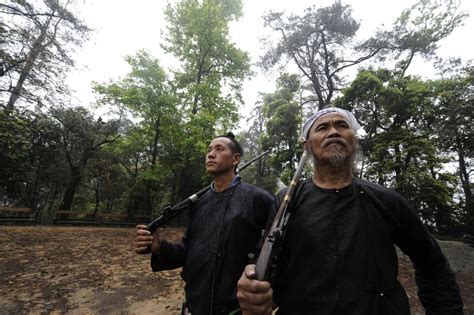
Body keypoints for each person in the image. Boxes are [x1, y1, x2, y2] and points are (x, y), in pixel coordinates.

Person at [236, 107, 463, 314]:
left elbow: (432, 264)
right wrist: (253, 284)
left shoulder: (386, 200)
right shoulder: (287, 201)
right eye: (322, 127)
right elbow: (265, 257)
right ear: (307, 145)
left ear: (353, 140)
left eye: (342, 126)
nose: (333, 131)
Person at [134, 132, 274, 315]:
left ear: (235, 159)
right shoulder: (199, 202)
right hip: (194, 303)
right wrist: (160, 248)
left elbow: (278, 244)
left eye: (219, 149)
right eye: (209, 150)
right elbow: (189, 252)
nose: (210, 154)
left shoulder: (258, 198)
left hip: (236, 307)